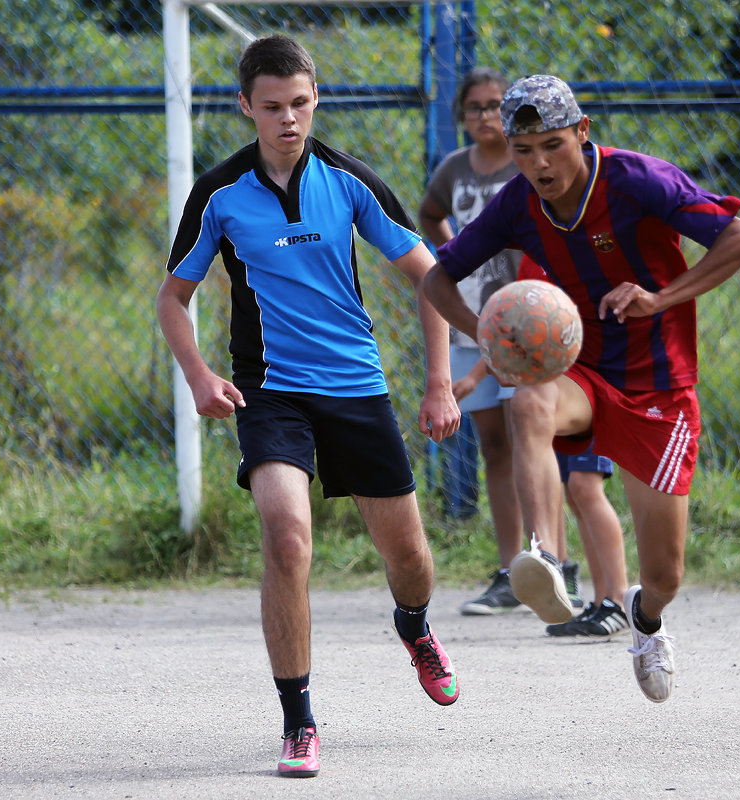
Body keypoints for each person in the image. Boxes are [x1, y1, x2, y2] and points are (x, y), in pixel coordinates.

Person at [155, 34, 461, 778]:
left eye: (299, 103)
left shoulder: (349, 181)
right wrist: (197, 374)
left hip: (355, 385)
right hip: (270, 391)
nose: (287, 119)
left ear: (314, 99)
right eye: (271, 107)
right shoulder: (221, 194)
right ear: (245, 107)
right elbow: (173, 298)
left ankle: (414, 626)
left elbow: (431, 276)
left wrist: (439, 381)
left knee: (410, 559)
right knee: (287, 537)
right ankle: (298, 719)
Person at [422, 75, 740, 702]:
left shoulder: (637, 179)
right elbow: (436, 280)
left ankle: (647, 618)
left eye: (552, 145)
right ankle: (548, 560)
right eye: (524, 151)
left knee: (666, 573)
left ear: (582, 132)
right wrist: (487, 335)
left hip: (661, 386)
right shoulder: (516, 204)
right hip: (581, 372)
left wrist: (659, 298)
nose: (539, 164)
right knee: (528, 398)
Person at [418, 67, 528, 616]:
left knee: (535, 436)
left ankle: (549, 560)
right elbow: (430, 215)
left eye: (494, 105)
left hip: (529, 325)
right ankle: (511, 570)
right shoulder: (455, 168)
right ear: (461, 115)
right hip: (470, 320)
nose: (485, 115)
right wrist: (456, 251)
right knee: (497, 448)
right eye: (475, 107)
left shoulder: (528, 162)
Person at [544, 443, 630, 638]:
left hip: (590, 412)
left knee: (585, 485)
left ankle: (619, 601)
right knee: (575, 493)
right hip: (566, 415)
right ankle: (602, 603)